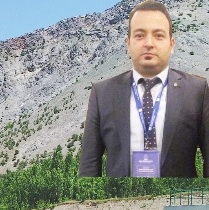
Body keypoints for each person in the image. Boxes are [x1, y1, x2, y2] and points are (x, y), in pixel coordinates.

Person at [79, 0, 209, 177]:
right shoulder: (102, 93)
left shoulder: (197, 91)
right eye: (140, 35)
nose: (149, 43)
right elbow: (89, 166)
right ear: (128, 44)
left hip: (178, 201)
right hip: (120, 201)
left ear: (172, 44)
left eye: (158, 35)